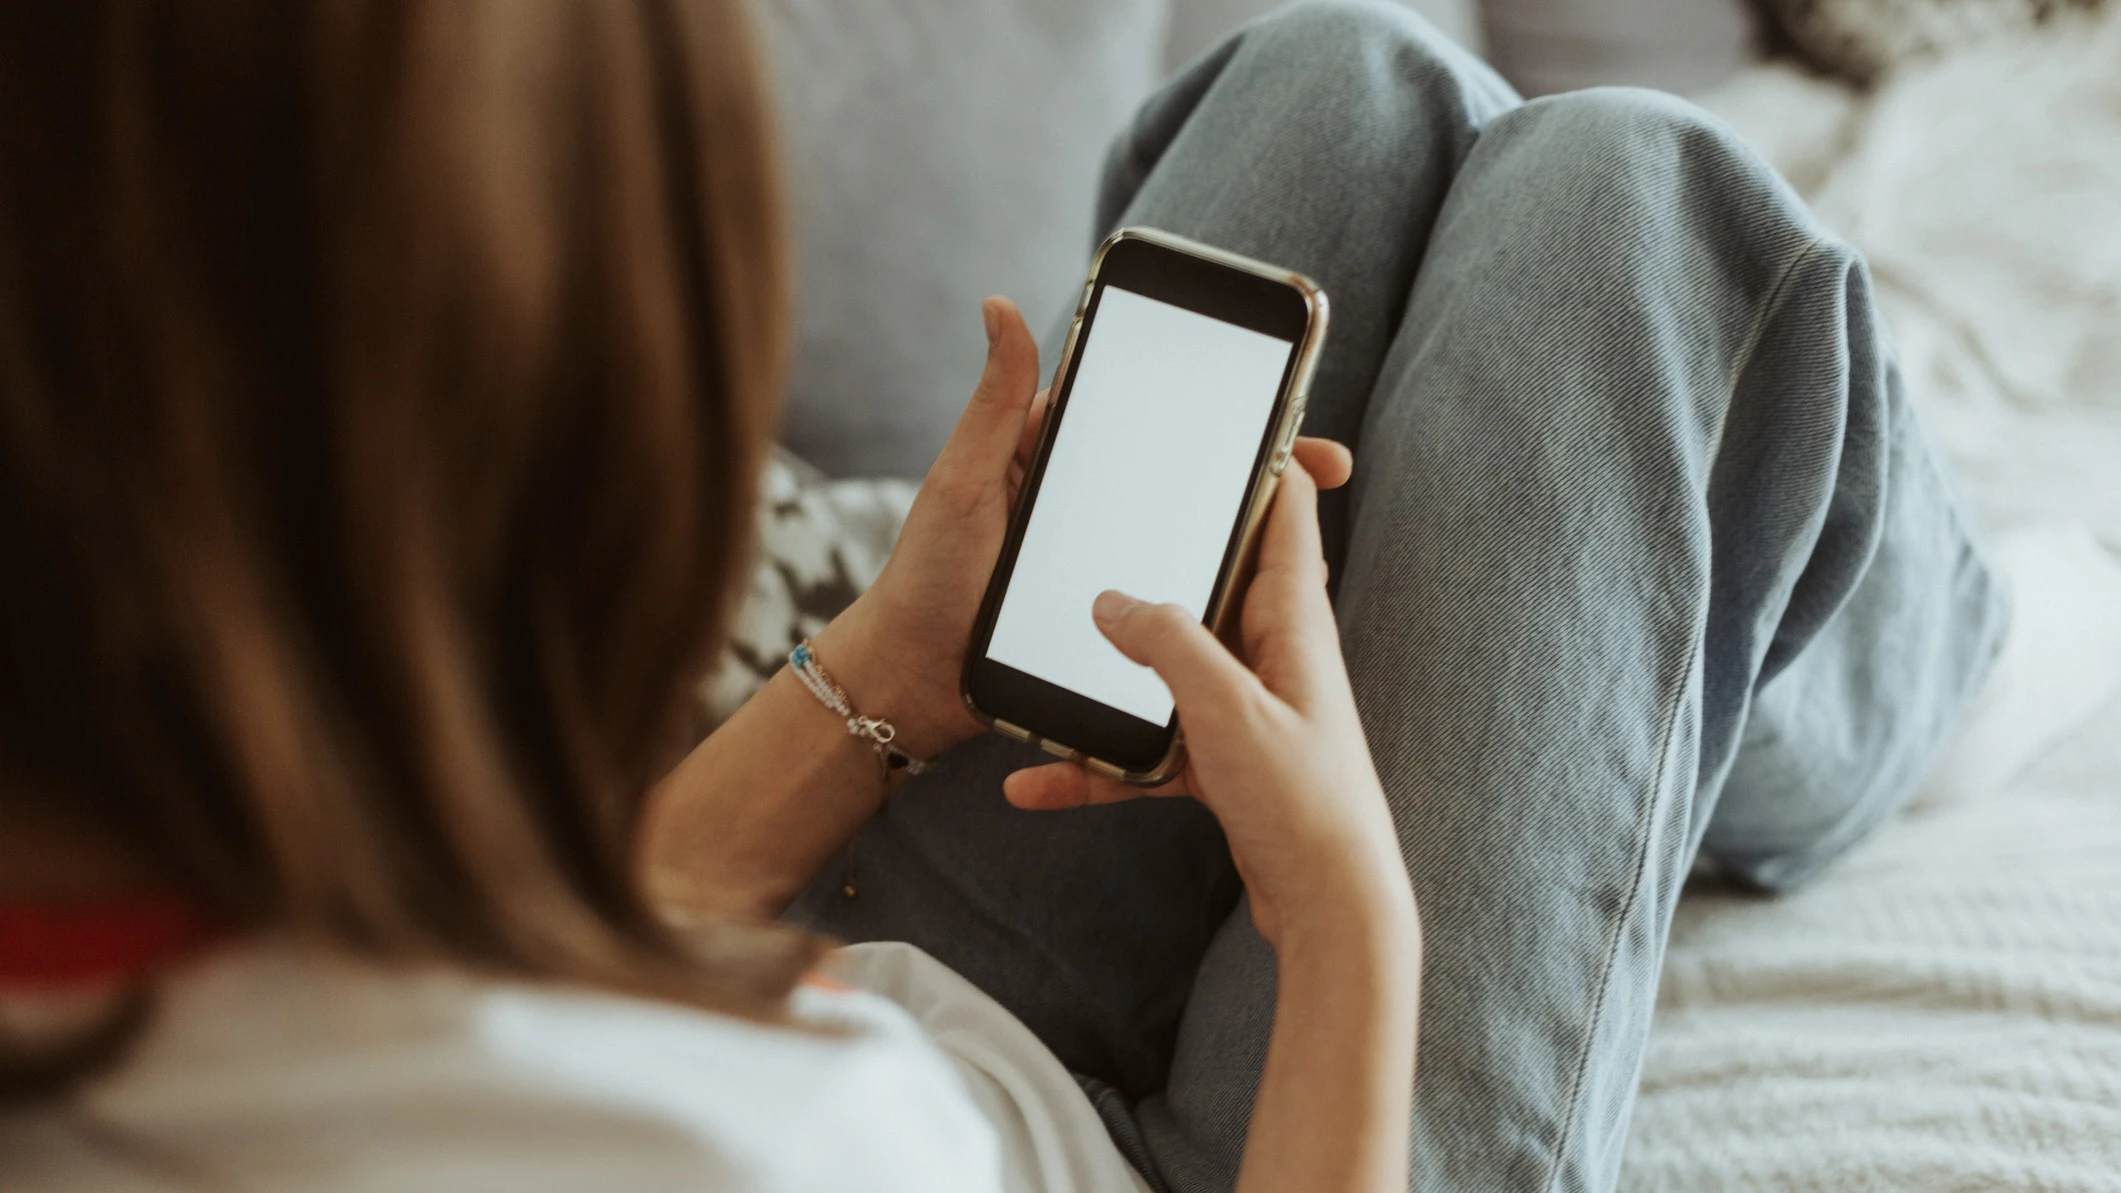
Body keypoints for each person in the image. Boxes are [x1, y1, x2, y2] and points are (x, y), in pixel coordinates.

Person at [0, 1, 2006, 1191]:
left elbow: (569, 951)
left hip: (891, 950)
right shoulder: (753, 1148)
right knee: (1638, 208)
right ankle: (1939, 676)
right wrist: (1345, 919)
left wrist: (889, 669)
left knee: (1349, 74)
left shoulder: (164, 930)